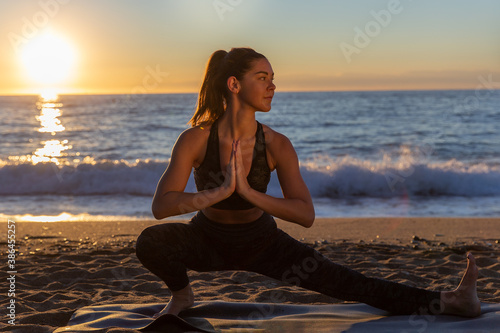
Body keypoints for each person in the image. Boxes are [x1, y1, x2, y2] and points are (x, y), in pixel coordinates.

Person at [135, 47, 481, 319]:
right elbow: (161, 207)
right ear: (234, 84)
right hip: (205, 239)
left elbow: (305, 214)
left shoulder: (276, 144)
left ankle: (452, 300)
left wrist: (251, 194)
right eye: (262, 77)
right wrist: (218, 193)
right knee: (151, 242)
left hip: (263, 243)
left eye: (273, 77)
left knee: (351, 284)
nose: (273, 86)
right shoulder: (195, 140)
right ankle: (182, 294)